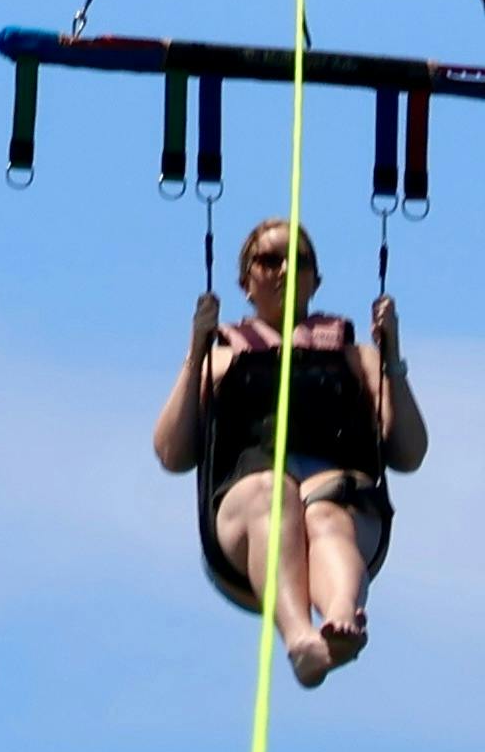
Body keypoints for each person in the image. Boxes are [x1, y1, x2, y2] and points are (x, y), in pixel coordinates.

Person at [151, 217, 424, 684]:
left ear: (316, 280)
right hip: (249, 502)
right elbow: (173, 454)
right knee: (273, 492)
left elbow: (408, 453)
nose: (284, 271)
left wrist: (392, 355)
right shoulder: (221, 356)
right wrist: (196, 352)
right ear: (245, 281)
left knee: (325, 513)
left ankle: (342, 617)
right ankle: (300, 637)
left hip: (340, 494)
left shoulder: (356, 357)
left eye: (298, 261)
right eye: (269, 260)